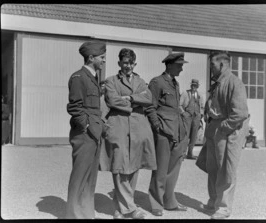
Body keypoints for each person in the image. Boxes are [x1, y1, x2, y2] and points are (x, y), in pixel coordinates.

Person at [101, 48, 156, 219]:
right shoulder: (110, 81)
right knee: (119, 166)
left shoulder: (141, 81)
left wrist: (130, 98)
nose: (128, 66)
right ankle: (130, 208)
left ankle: (120, 208)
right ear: (119, 63)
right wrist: (134, 103)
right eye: (125, 63)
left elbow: (149, 98)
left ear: (135, 64)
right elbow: (111, 100)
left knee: (133, 166)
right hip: (119, 127)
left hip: (138, 129)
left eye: (131, 63)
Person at [203, 51, 249, 219]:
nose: (211, 69)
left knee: (225, 169)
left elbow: (241, 113)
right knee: (212, 168)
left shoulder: (235, 83)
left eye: (213, 66)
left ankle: (223, 207)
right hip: (214, 128)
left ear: (222, 65)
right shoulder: (217, 83)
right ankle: (214, 201)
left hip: (226, 129)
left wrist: (224, 127)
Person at [65, 41, 106, 219]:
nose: (104, 61)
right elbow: (75, 107)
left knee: (90, 177)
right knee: (80, 175)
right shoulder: (78, 77)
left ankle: (86, 212)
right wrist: (87, 126)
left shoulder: (93, 77)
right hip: (84, 134)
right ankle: (74, 214)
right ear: (91, 58)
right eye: (101, 57)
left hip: (94, 132)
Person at [145, 52, 188, 217]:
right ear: (169, 65)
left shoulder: (175, 84)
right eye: (179, 65)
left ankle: (170, 202)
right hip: (164, 132)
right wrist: (157, 127)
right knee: (161, 170)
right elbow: (150, 107)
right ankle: (156, 203)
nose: (182, 69)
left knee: (173, 171)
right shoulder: (157, 82)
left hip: (177, 132)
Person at [180, 79, 204, 159]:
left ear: (198, 86)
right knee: (185, 135)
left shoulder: (200, 95)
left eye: (196, 85)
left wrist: (201, 115)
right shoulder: (185, 93)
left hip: (196, 117)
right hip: (187, 117)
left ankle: (190, 153)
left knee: (194, 136)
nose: (194, 87)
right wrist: (183, 113)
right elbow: (179, 105)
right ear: (191, 85)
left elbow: (202, 106)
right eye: (193, 85)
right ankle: (183, 154)